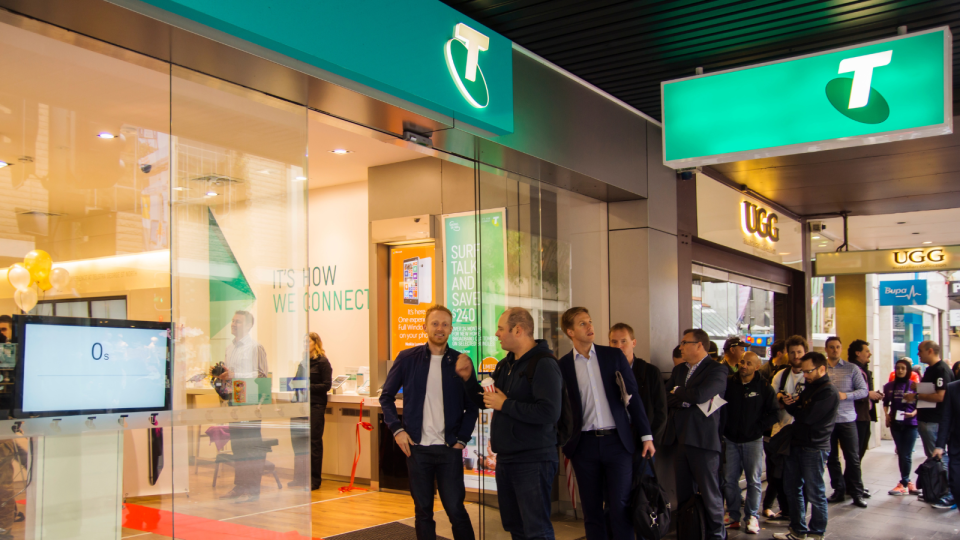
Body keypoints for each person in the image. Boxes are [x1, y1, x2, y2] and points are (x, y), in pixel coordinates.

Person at [456, 307, 562, 540]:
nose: (496, 334)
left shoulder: (544, 364)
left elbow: (549, 412)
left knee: (537, 529)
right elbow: (487, 401)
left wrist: (506, 405)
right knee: (516, 527)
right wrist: (468, 378)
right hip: (506, 459)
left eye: (501, 329)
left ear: (518, 330)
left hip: (533, 459)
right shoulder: (506, 365)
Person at [381, 305, 479, 540]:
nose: (440, 328)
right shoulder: (407, 358)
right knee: (423, 511)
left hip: (449, 450)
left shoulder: (461, 361)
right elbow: (386, 397)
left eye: (445, 324)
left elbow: (473, 404)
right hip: (417, 450)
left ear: (451, 329)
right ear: (424, 327)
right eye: (435, 323)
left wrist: (462, 439)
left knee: (456, 509)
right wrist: (397, 430)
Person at [558, 311, 654, 540]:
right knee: (591, 511)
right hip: (584, 445)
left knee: (620, 506)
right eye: (583, 324)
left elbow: (633, 396)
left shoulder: (613, 356)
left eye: (590, 322)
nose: (590, 327)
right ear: (570, 332)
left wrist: (646, 435)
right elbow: (561, 409)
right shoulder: (562, 365)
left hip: (617, 443)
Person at [664, 328, 728, 540]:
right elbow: (667, 398)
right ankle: (688, 533)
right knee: (684, 494)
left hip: (703, 440)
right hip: (680, 438)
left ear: (699, 345)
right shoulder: (681, 370)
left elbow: (701, 395)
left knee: (710, 493)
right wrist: (685, 398)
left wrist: (680, 394)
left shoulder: (716, 370)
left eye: (685, 342)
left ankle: (716, 535)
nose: (681, 347)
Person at [772, 352, 840, 540]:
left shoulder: (828, 391)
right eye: (803, 371)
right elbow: (799, 411)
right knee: (792, 488)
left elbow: (809, 417)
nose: (806, 375)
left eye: (809, 371)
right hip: (797, 443)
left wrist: (799, 408)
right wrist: (792, 404)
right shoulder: (809, 387)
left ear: (822, 369)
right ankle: (798, 530)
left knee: (815, 491)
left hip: (815, 446)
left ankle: (817, 533)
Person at [722, 352, 778, 534]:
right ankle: (733, 515)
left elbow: (774, 413)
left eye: (748, 363)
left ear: (757, 366)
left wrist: (758, 428)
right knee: (730, 480)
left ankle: (751, 516)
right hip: (730, 439)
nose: (744, 366)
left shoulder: (764, 387)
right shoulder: (729, 383)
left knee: (753, 481)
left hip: (753, 441)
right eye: (742, 362)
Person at [218, 310, 269, 503]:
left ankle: (253, 488)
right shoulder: (229, 348)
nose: (233, 324)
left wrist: (235, 375)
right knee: (238, 446)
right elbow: (230, 375)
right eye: (232, 321)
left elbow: (262, 375)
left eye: (238, 322)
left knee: (251, 447)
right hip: (234, 400)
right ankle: (240, 486)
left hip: (251, 401)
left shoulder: (256, 347)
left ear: (248, 326)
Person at [904, 340, 955, 508]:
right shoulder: (931, 369)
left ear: (930, 351)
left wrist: (916, 396)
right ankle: (937, 489)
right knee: (933, 458)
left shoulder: (941, 370)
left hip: (935, 420)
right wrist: (918, 388)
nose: (918, 353)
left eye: (920, 350)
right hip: (927, 419)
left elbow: (941, 396)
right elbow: (931, 391)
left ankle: (949, 493)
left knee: (939, 457)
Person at [763, 334, 808, 522]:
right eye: (792, 352)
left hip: (802, 432)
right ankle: (785, 509)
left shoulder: (810, 375)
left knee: (801, 476)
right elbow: (771, 400)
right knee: (778, 475)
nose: (796, 355)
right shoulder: (781, 375)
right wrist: (781, 399)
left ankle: (800, 514)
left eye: (799, 352)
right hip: (780, 430)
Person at [822, 336, 868, 507]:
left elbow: (863, 391)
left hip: (847, 419)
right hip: (828, 421)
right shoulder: (821, 368)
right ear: (826, 349)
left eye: (838, 347)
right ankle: (838, 490)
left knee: (853, 458)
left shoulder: (851, 368)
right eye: (832, 347)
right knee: (832, 458)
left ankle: (856, 493)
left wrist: (846, 396)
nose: (835, 350)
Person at [609, 322, 667, 445]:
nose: (619, 346)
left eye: (623, 341)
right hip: (614, 439)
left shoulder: (650, 372)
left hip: (642, 439)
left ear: (633, 343)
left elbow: (660, 411)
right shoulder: (606, 372)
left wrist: (651, 440)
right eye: (614, 342)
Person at [291, 333, 332, 491]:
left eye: (307, 341)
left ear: (316, 343)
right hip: (299, 405)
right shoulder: (303, 362)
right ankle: (299, 478)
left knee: (314, 442)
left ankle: (315, 480)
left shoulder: (323, 362)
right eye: (303, 341)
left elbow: (326, 385)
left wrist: (308, 387)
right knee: (298, 442)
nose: (304, 343)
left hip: (315, 405)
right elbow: (296, 382)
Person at [883, 358, 920, 496]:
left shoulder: (914, 385)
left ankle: (904, 483)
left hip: (911, 424)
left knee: (906, 454)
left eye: (903, 368)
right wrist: (886, 415)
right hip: (895, 424)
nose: (900, 370)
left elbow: (921, 403)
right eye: (898, 368)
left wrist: (913, 413)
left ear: (908, 370)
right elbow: (885, 403)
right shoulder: (889, 386)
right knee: (902, 453)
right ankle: (907, 482)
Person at [848, 340, 882, 475]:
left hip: (865, 416)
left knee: (859, 452)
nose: (870, 354)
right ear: (858, 353)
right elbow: (849, 392)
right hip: (856, 417)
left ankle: (852, 483)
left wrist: (874, 395)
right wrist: (869, 394)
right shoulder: (852, 370)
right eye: (867, 351)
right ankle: (852, 484)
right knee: (855, 453)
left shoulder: (865, 371)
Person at [933, 378, 960, 514]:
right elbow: (946, 417)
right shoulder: (953, 388)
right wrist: (939, 445)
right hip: (957, 445)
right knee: (955, 483)